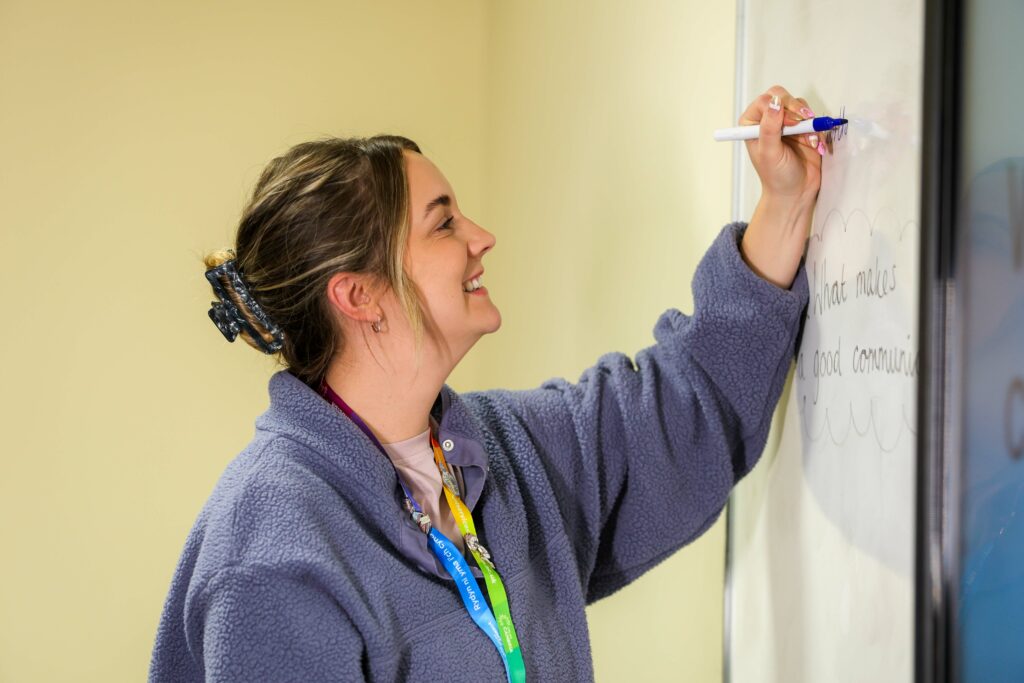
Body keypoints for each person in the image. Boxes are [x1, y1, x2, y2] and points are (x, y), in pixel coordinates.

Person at [149, 86, 822, 682]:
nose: (483, 237)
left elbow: (684, 415)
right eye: (444, 223)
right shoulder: (272, 550)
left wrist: (785, 204)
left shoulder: (497, 451)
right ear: (360, 295)